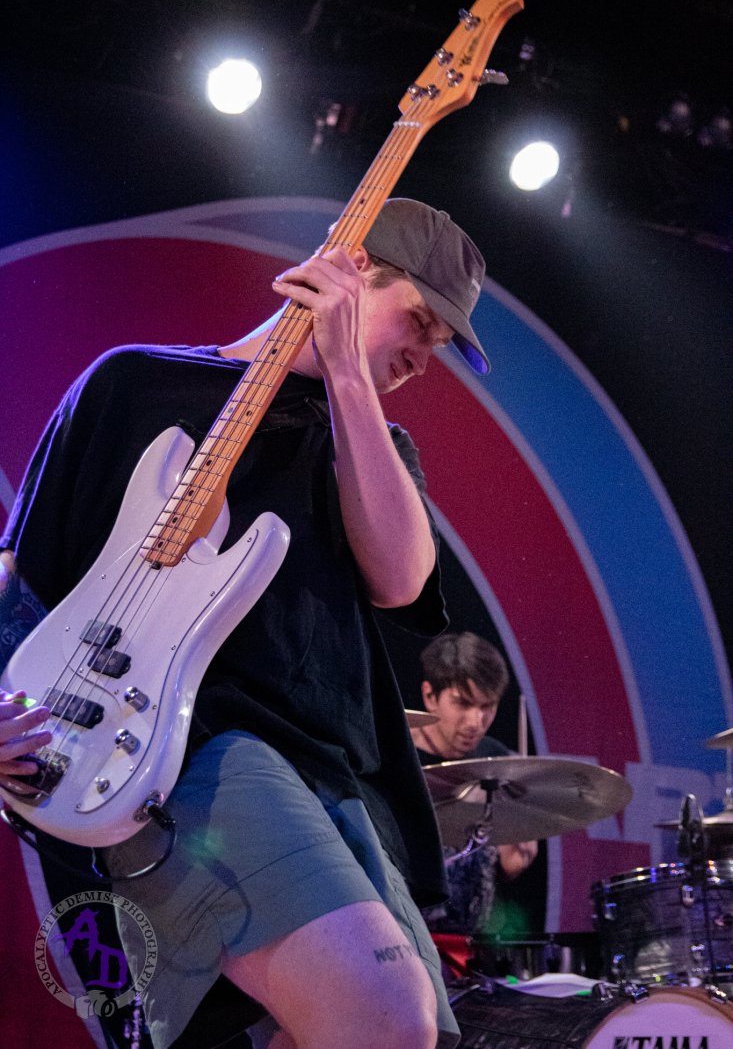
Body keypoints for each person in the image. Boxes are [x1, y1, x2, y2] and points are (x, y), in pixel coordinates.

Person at [0, 198, 490, 1049]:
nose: (423, 357)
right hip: (196, 753)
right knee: (385, 1018)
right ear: (350, 269)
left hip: (338, 779)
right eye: (419, 321)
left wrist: (347, 377)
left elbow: (401, 579)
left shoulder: (372, 444)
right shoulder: (134, 383)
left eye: (441, 344)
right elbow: (23, 575)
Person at [411, 631, 538, 937]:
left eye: (487, 707)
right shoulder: (395, 756)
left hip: (473, 944)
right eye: (462, 703)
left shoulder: (499, 764)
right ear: (430, 696)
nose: (474, 722)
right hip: (402, 934)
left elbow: (504, 866)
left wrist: (514, 858)